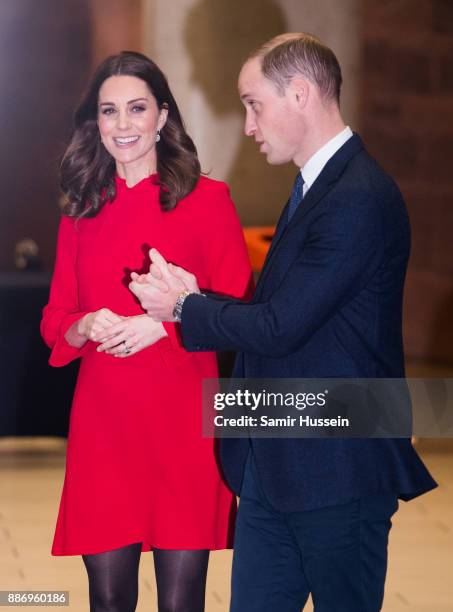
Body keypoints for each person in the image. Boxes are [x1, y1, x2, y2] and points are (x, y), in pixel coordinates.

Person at [129, 34, 438, 612]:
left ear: (299, 93)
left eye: (254, 104)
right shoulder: (316, 188)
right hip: (276, 466)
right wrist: (196, 297)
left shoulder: (359, 197)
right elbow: (288, 313)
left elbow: (280, 327)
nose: (248, 124)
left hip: (338, 469)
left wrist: (183, 309)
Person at [40, 51, 252, 612]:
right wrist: (84, 324)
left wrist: (167, 326)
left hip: (182, 420)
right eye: (109, 111)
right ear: (96, 124)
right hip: (104, 425)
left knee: (181, 603)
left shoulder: (209, 201)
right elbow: (55, 317)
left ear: (162, 116)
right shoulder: (80, 211)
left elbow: (239, 309)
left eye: (137, 108)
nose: (123, 124)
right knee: (108, 601)